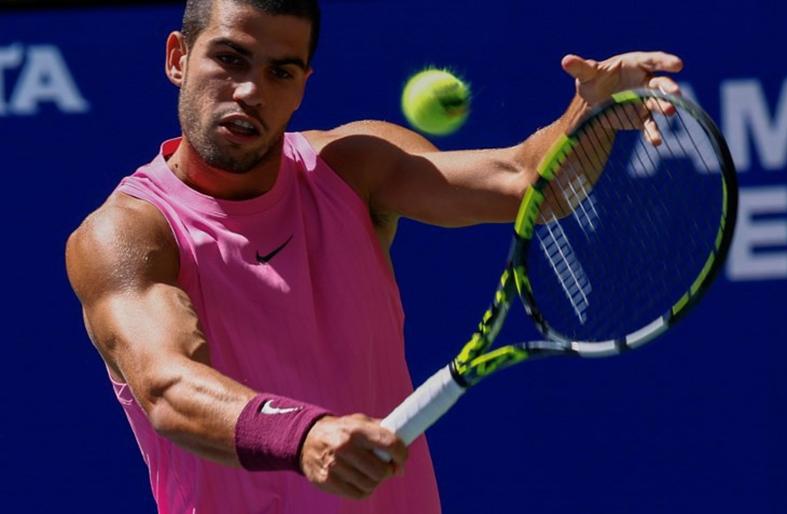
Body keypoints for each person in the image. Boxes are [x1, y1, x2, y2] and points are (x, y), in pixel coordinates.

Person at [65, 0, 683, 512]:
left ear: (303, 86)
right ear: (178, 58)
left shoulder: (351, 169)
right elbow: (168, 386)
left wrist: (591, 114)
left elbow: (525, 185)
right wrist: (305, 435)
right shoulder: (128, 234)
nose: (250, 91)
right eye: (229, 59)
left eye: (281, 72)